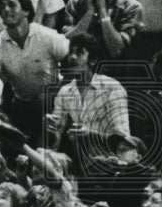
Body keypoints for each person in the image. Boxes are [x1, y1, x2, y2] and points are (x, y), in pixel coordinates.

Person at [0, 0, 70, 145]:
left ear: (26, 11)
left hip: (54, 103)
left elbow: (74, 67)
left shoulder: (47, 36)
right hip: (22, 106)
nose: (6, 9)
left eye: (11, 5)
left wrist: (57, 94)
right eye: (2, 7)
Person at [50, 33, 130, 169]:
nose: (72, 57)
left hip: (115, 165)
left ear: (92, 61)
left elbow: (124, 141)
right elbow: (55, 140)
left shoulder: (112, 88)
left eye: (80, 53)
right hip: (84, 166)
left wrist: (90, 135)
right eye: (71, 52)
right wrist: (50, 129)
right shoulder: (65, 92)